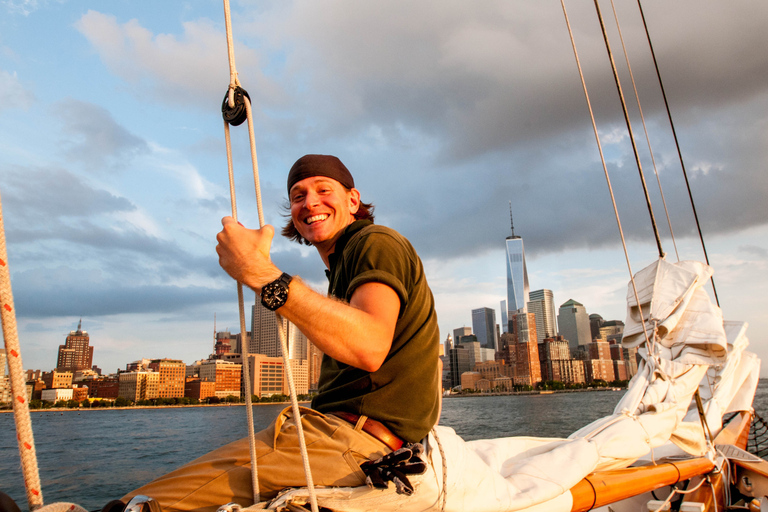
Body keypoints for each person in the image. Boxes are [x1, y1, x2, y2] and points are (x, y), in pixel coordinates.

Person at [122, 154, 441, 512]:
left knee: (138, 505)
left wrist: (259, 272)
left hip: (353, 442)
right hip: (331, 434)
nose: (310, 203)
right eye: (298, 196)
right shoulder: (344, 266)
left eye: (323, 190)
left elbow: (368, 346)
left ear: (353, 200)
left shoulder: (375, 242)